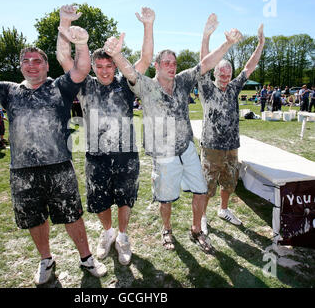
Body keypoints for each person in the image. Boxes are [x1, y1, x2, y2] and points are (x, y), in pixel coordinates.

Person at [0, 23, 107, 286]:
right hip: (22, 171)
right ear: (20, 66)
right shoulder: (8, 91)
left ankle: (86, 258)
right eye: (26, 61)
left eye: (37, 60)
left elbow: (82, 68)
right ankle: (46, 260)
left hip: (59, 166)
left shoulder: (59, 88)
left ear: (46, 65)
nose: (32, 65)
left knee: (72, 215)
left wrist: (82, 43)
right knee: (34, 218)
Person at [102, 13, 243, 254]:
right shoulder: (147, 86)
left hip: (186, 148)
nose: (171, 66)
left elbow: (206, 64)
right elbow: (130, 72)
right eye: (165, 62)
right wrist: (116, 55)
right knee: (165, 199)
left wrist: (227, 43)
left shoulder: (183, 81)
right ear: (156, 66)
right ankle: (166, 229)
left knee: (200, 190)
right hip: (163, 153)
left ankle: (197, 229)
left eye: (173, 62)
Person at [57, 5, 155, 265]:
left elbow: (145, 59)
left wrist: (148, 25)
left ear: (114, 66)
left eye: (108, 65)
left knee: (125, 199)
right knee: (100, 202)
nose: (103, 70)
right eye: (98, 66)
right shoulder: (85, 85)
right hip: (96, 156)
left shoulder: (125, 85)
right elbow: (64, 58)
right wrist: (65, 24)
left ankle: (122, 236)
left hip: (125, 155)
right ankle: (108, 232)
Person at [198, 16, 265, 234]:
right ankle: (203, 217)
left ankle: (224, 209)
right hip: (210, 147)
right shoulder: (207, 88)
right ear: (215, 74)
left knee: (229, 182)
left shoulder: (235, 87)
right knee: (207, 185)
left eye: (228, 74)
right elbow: (204, 62)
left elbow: (249, 66)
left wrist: (260, 43)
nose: (225, 78)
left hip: (231, 146)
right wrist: (206, 35)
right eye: (221, 74)